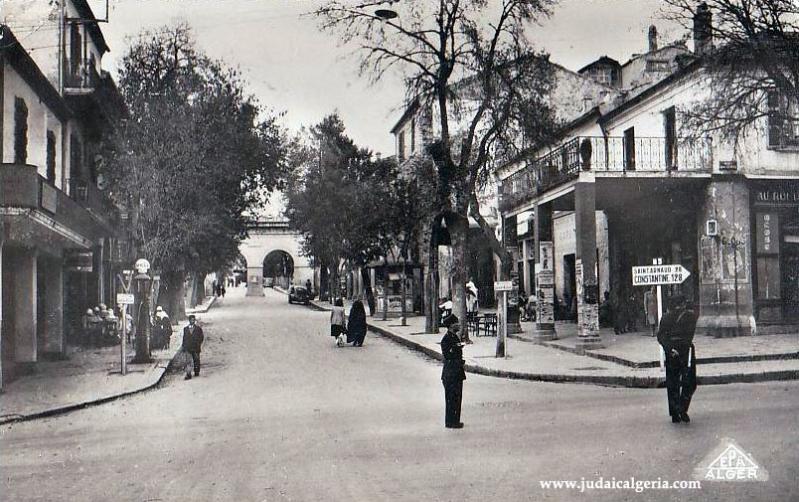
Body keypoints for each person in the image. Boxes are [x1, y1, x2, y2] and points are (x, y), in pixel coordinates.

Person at [656, 295, 697, 423]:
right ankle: (682, 409)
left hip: (672, 353)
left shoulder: (666, 317)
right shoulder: (689, 316)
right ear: (683, 304)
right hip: (686, 352)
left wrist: (670, 349)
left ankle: (675, 412)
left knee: (672, 382)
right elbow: (690, 334)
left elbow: (661, 336)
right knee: (689, 381)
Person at [440, 314, 466, 429]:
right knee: (451, 398)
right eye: (456, 323)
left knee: (457, 397)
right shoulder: (446, 339)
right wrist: (457, 348)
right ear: (451, 325)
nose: (459, 325)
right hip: (450, 373)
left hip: (457, 372)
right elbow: (448, 355)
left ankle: (455, 420)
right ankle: (450, 422)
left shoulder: (454, 336)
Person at [181, 315, 205, 380]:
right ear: (189, 321)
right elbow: (184, 338)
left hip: (196, 347)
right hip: (188, 347)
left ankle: (196, 371)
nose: (192, 321)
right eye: (191, 320)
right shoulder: (185, 329)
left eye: (193, 320)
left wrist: (198, 343)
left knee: (196, 360)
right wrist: (183, 346)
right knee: (188, 361)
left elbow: (201, 337)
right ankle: (188, 374)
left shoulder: (198, 329)